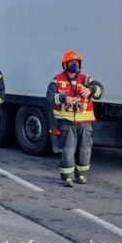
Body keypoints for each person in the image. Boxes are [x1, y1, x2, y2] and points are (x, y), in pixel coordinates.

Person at [46, 50, 104, 187]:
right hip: (67, 122)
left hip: (85, 122)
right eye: (72, 63)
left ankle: (81, 174)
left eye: (76, 63)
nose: (74, 65)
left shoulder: (86, 80)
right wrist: (64, 98)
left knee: (85, 150)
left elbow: (100, 90)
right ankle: (67, 177)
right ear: (65, 65)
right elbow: (50, 98)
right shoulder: (57, 80)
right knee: (68, 150)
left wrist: (91, 90)